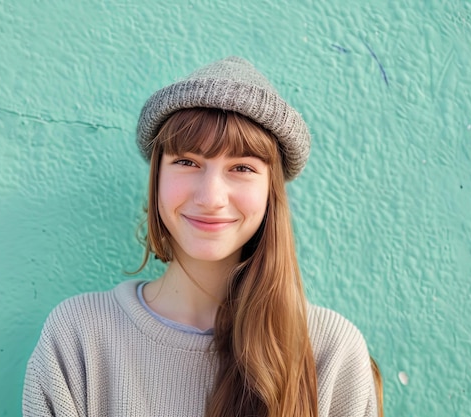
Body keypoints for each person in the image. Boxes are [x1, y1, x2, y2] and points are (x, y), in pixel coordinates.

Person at [23, 56, 379, 417]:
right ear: (157, 178)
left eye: (242, 168)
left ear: (271, 193)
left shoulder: (330, 351)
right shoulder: (79, 337)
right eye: (188, 162)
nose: (210, 197)